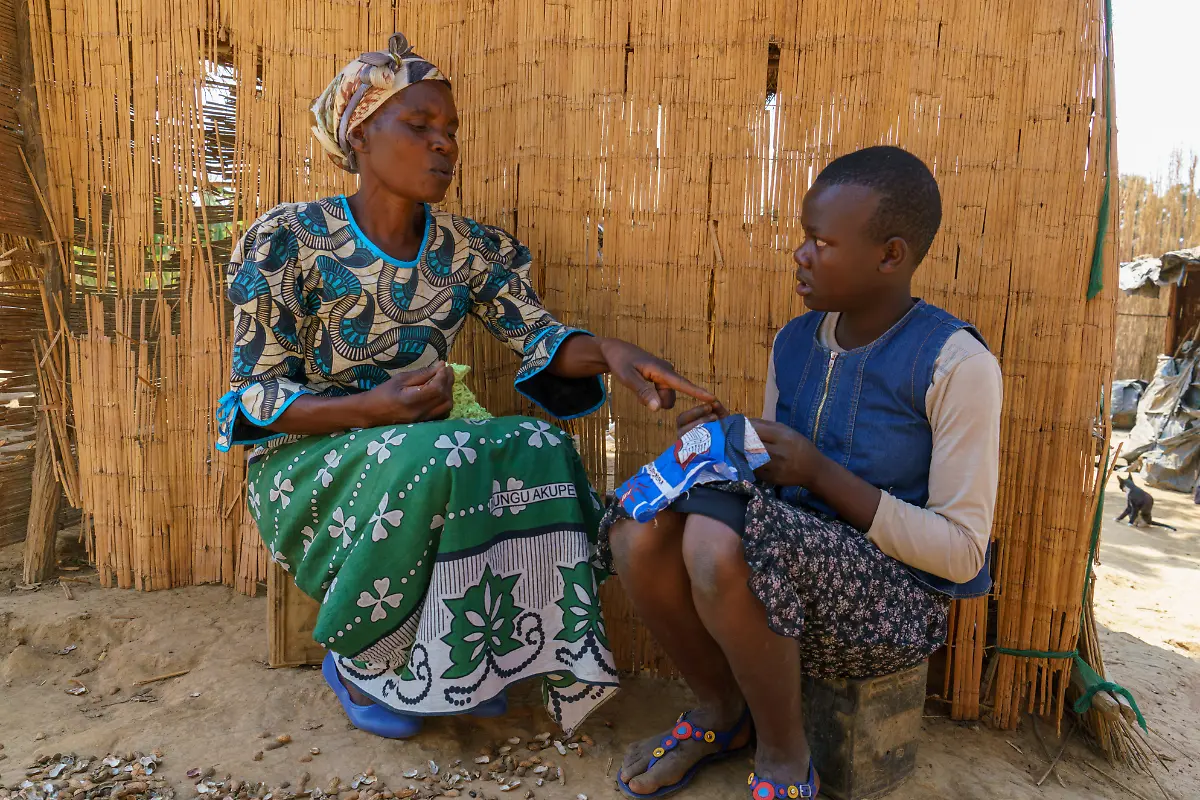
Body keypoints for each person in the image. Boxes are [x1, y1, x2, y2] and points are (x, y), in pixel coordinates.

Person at [215, 33, 714, 740]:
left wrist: (609, 352)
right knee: (442, 454)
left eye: (450, 131)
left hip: (421, 446)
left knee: (538, 443)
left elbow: (538, 337)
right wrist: (371, 410)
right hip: (308, 461)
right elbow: (254, 397)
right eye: (419, 127)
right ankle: (365, 659)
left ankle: (476, 659)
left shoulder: (465, 249)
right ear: (360, 132)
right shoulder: (289, 240)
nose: (444, 145)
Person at [601, 146, 1002, 799]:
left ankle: (787, 760)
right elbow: (769, 498)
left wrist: (817, 473)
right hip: (781, 584)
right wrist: (731, 449)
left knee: (714, 535)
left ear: (890, 256)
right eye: (803, 239)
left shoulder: (956, 364)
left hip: (890, 606)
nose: (801, 255)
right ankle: (719, 714)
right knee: (637, 526)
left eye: (820, 242)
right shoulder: (795, 343)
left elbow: (961, 555)